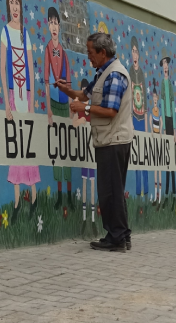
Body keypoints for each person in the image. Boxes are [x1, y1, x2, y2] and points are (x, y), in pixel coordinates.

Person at [56, 32, 133, 252]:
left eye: (91, 52)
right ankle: (122, 235)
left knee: (110, 192)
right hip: (109, 140)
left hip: (113, 140)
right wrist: (67, 91)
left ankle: (115, 238)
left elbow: (110, 110)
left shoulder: (115, 75)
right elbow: (85, 94)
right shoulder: (103, 74)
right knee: (114, 190)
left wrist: (85, 109)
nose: (88, 57)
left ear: (102, 52)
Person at [0, 0, 39, 223]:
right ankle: (16, 202)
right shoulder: (5, 32)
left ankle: (34, 198)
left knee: (29, 147)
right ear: (8, 6)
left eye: (18, 3)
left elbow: (32, 70)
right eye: (11, 2)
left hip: (26, 97)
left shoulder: (26, 34)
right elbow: (3, 70)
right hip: (14, 95)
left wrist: (32, 103)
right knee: (16, 147)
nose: (15, 7)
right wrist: (6, 103)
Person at [44, 7, 73, 210]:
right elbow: (46, 81)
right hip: (54, 104)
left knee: (67, 151)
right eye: (51, 23)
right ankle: (60, 194)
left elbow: (70, 85)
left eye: (56, 23)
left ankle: (70, 195)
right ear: (48, 25)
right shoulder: (47, 50)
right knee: (57, 150)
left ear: (60, 27)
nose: (54, 26)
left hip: (65, 104)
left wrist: (71, 111)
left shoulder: (64, 53)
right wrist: (48, 110)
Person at [73, 78, 99, 238]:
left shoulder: (93, 108)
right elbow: (73, 123)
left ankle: (93, 219)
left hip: (92, 152)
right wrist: (80, 120)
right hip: (83, 152)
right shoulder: (80, 110)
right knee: (84, 183)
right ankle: (84, 219)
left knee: (92, 184)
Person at [129, 37, 149, 206]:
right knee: (135, 156)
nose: (135, 54)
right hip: (133, 118)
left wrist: (148, 125)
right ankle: (137, 191)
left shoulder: (141, 73)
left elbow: (146, 101)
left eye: (137, 51)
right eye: (133, 51)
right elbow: (129, 96)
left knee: (145, 156)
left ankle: (147, 190)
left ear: (139, 55)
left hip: (142, 118)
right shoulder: (129, 72)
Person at [159, 55, 175, 204]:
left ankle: (174, 191)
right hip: (165, 121)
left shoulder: (170, 84)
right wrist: (163, 127)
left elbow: (172, 105)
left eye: (167, 64)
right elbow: (162, 103)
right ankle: (166, 190)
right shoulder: (162, 84)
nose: (165, 66)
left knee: (173, 158)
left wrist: (174, 127)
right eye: (163, 63)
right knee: (167, 159)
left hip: (171, 121)